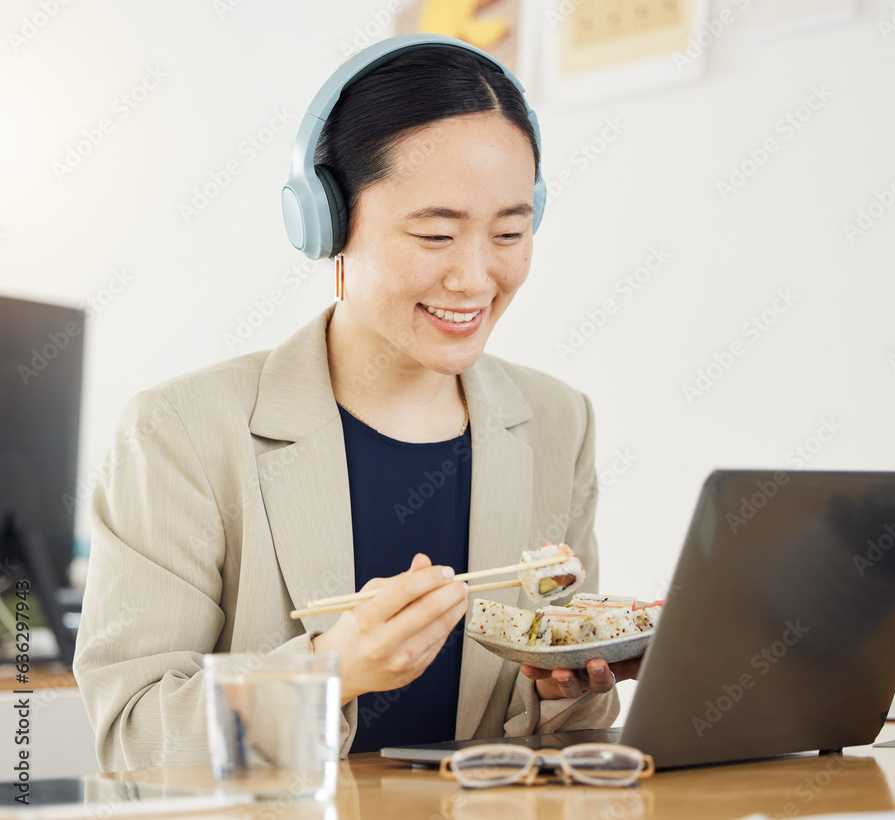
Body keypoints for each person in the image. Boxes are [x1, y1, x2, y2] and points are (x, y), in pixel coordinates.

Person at [73, 34, 638, 771]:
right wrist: (329, 672)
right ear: (328, 224)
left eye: (509, 231)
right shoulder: (181, 432)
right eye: (435, 234)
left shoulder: (558, 421)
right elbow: (133, 737)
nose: (474, 278)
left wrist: (567, 691)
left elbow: (564, 738)